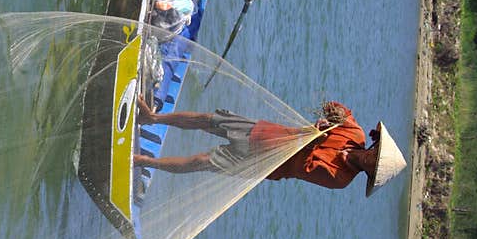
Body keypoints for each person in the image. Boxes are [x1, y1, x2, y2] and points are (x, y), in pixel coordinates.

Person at [133, 98, 407, 196]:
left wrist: (320, 136)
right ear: (375, 145)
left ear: (370, 175)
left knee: (202, 161)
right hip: (266, 133)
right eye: (376, 154)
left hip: (266, 163)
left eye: (375, 165)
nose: (371, 159)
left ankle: (143, 161)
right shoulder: (354, 133)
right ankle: (152, 117)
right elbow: (334, 107)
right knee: (209, 120)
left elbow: (304, 168)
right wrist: (332, 117)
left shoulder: (341, 179)